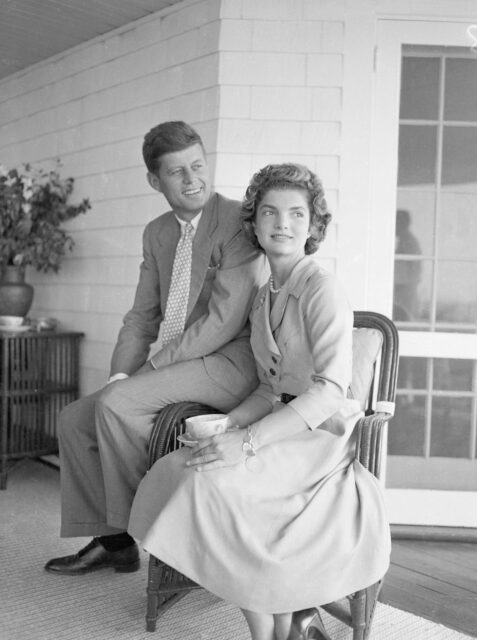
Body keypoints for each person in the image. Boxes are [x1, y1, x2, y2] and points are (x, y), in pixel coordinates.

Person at [128, 164, 391, 640]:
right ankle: (281, 625)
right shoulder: (261, 295)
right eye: (268, 212)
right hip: (276, 425)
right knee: (185, 467)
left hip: (321, 437)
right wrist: (227, 423)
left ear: (313, 226)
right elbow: (270, 389)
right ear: (253, 224)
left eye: (295, 213)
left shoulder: (321, 288)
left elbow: (330, 390)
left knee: (218, 484)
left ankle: (276, 626)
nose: (281, 223)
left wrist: (246, 442)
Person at [44, 121, 267, 576]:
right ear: (155, 181)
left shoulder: (237, 223)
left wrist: (146, 372)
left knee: (119, 405)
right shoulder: (157, 232)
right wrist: (120, 375)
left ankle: (157, 534)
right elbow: (141, 316)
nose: (192, 180)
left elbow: (222, 323)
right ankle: (115, 542)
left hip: (229, 360)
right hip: (173, 360)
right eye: (177, 172)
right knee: (75, 419)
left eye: (198, 166)